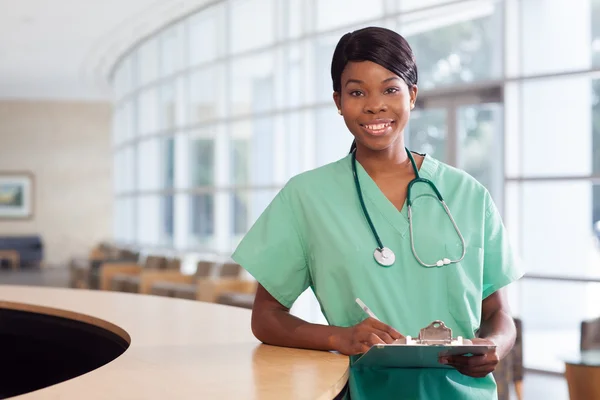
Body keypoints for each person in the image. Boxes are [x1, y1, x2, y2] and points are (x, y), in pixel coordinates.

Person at [232, 26, 523, 400]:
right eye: (356, 92)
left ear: (412, 95)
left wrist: (495, 345)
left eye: (390, 89)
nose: (374, 105)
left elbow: (499, 313)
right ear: (338, 101)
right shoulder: (306, 197)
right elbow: (266, 317)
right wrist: (341, 336)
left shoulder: (467, 194)